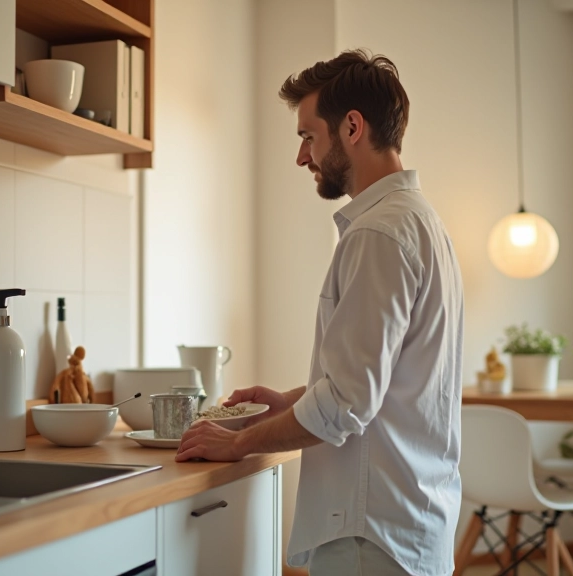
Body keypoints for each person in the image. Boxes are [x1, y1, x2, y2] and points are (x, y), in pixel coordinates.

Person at [175, 50, 464, 575]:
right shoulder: (420, 223)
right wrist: (284, 403)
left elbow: (350, 401)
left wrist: (238, 443)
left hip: (370, 534)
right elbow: (378, 382)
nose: (302, 157)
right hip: (406, 524)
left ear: (352, 126)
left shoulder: (378, 233)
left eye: (308, 135)